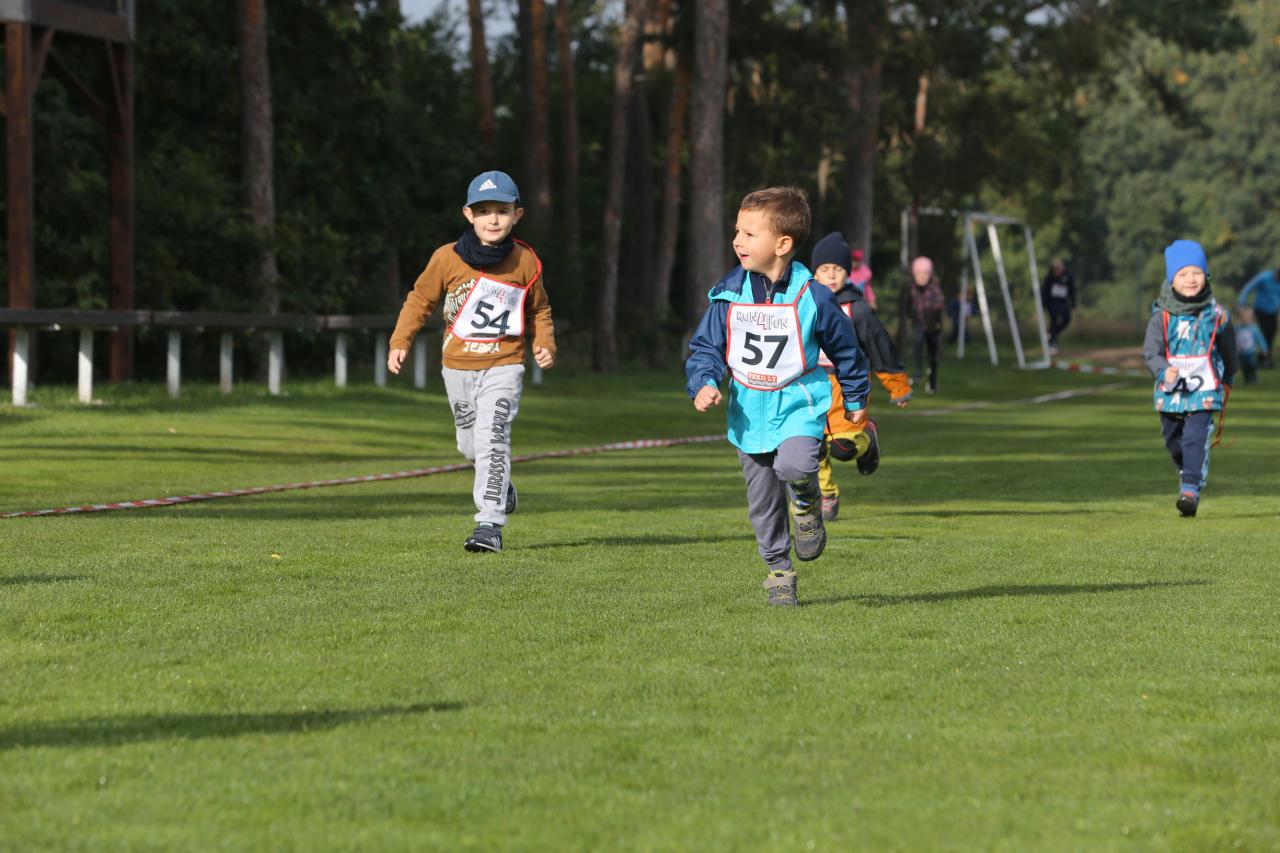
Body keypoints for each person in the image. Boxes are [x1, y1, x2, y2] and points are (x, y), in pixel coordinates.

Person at [685, 188, 870, 607]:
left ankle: (806, 503)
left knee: (797, 464)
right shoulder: (727, 294)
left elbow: (846, 350)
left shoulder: (814, 297)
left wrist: (856, 395)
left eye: (749, 234)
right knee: (764, 506)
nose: (737, 241)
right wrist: (704, 383)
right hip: (748, 416)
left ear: (782, 244)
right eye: (737, 231)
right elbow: (706, 348)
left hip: (799, 407)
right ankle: (779, 573)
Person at [387, 170, 556, 553]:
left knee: (493, 437)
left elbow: (539, 310)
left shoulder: (526, 261)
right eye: (483, 211)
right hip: (457, 368)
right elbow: (419, 301)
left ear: (517, 215)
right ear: (468, 215)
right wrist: (401, 340)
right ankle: (502, 485)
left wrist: (544, 343)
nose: (493, 219)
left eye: (501, 210)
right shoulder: (446, 258)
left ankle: (489, 524)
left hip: (505, 365)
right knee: (470, 445)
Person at [810, 231, 911, 521]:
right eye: (824, 270)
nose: (831, 276)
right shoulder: (804, 304)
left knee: (843, 449)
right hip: (811, 389)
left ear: (848, 273)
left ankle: (869, 435)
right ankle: (826, 495)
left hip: (848, 390)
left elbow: (881, 347)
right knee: (811, 448)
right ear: (815, 273)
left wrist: (898, 387)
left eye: (837, 270)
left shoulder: (859, 310)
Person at [1141, 239, 1237, 518]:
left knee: (1194, 438)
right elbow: (1150, 352)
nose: (1190, 279)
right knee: (1174, 440)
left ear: (1205, 275)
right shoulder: (1160, 316)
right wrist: (1161, 369)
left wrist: (1229, 377)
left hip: (1205, 389)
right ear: (1171, 280)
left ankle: (1190, 491)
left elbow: (1230, 351)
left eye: (1196, 272)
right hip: (1170, 390)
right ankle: (1187, 471)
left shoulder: (1217, 315)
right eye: (1182, 274)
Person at [901, 256, 945, 395]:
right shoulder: (911, 288)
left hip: (933, 326)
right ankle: (917, 373)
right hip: (918, 323)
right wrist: (909, 317)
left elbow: (939, 307)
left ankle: (932, 381)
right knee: (917, 345)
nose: (922, 277)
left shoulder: (935, 289)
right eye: (919, 274)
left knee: (933, 355)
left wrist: (938, 324)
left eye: (925, 274)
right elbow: (906, 305)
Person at [1239, 266, 1280, 367]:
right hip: (1261, 309)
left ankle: (1264, 358)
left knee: (1272, 333)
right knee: (1266, 333)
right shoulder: (1264, 277)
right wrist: (1242, 301)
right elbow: (1249, 287)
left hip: (1273, 310)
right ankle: (1264, 359)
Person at [1040, 259, 1076, 352]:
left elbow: (1072, 291)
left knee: (1066, 320)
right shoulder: (1049, 278)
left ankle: (1051, 334)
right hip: (1051, 303)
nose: (1057, 271)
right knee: (1054, 321)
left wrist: (1074, 304)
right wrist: (1043, 305)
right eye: (1055, 269)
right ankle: (1053, 343)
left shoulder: (1068, 277)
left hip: (1063, 303)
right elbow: (1044, 292)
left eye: (1059, 269)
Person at [1234, 306, 1267, 385]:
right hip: (1241, 353)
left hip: (1251, 352)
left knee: (1252, 365)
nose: (1245, 320)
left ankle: (1254, 378)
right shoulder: (1237, 329)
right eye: (1243, 318)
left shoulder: (1254, 329)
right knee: (1244, 367)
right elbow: (1233, 339)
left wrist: (1264, 349)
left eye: (1247, 318)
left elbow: (1260, 339)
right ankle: (1246, 379)